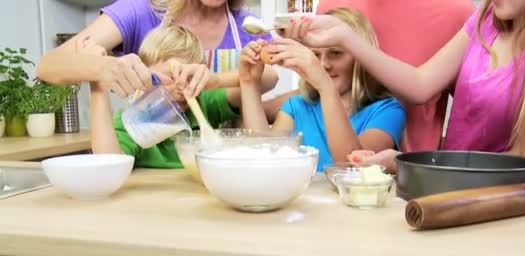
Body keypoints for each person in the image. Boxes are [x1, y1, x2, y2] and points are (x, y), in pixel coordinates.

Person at [281, 0, 525, 175]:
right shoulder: (486, 20)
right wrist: (344, 37)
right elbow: (420, 85)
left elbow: (524, 164)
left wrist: (408, 164)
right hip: (445, 196)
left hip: (502, 216)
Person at [238, 7, 405, 171]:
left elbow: (353, 168)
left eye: (336, 53)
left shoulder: (387, 110)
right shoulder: (297, 107)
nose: (323, 64)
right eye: (316, 56)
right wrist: (249, 83)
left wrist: (325, 86)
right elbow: (263, 158)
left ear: (361, 58)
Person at [314, 0, 475, 152]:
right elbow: (315, 94)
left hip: (416, 176)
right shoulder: (331, 6)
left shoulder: (455, 12)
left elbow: (475, 117)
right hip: (328, 174)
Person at [36, 0, 277, 99]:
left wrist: (213, 80)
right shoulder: (139, 11)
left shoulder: (247, 25)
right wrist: (103, 67)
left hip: (223, 169)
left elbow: (268, 78)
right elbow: (48, 66)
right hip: (147, 168)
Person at [84, 25, 240, 168]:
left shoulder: (204, 102)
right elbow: (108, 164)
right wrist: (99, 87)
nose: (180, 87)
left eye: (189, 77)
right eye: (171, 76)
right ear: (143, 76)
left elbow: (259, 80)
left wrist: (216, 80)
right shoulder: (135, 121)